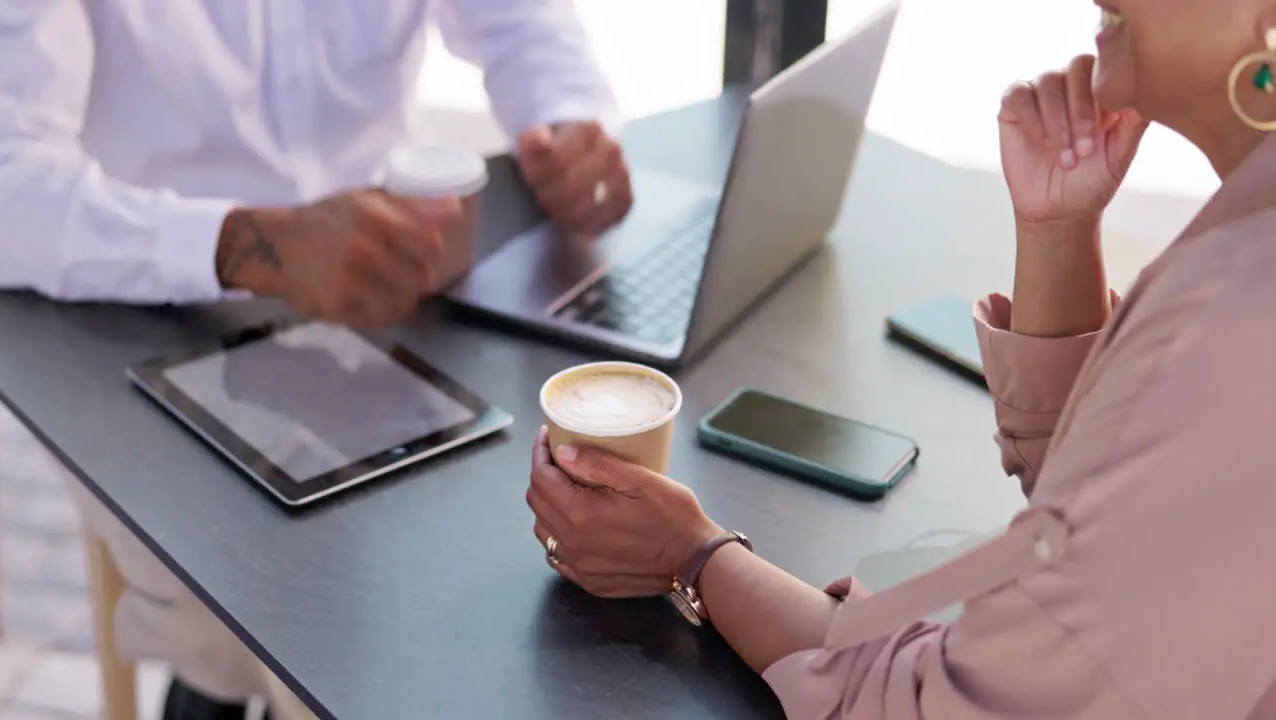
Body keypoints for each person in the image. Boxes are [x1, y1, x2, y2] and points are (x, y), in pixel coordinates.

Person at [526, 0, 1276, 716]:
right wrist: (1057, 231)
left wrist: (692, 557)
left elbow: (938, 707)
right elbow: (1114, 522)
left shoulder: (1235, 316)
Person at [0, 1, 631, 718]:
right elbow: (6, 188)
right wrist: (242, 242)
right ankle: (216, 686)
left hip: (393, 296)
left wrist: (569, 122)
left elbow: (523, 24)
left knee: (507, 555)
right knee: (266, 608)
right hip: (140, 307)